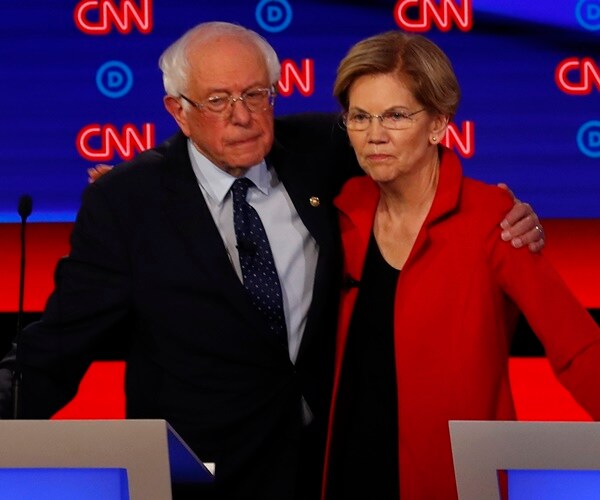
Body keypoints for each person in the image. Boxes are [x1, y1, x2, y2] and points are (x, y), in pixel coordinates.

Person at [0, 22, 544, 500]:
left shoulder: (323, 149)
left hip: (330, 466)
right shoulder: (128, 202)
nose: (241, 117)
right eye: (217, 101)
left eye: (255, 94)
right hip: (202, 476)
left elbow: (412, 158)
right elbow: (60, 345)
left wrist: (502, 210)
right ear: (178, 111)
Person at [320, 30, 600, 500]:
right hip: (347, 470)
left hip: (452, 478)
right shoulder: (340, 210)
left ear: (438, 124)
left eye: (395, 116)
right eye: (359, 117)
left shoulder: (494, 219)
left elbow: (578, 346)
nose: (373, 136)